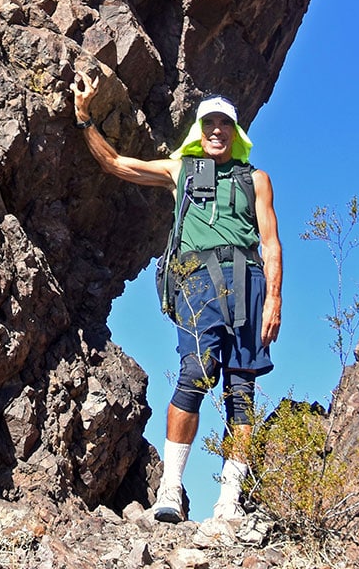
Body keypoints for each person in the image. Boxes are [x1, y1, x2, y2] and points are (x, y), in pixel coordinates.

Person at [70, 72, 282, 523]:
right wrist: (84, 118)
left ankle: (229, 500)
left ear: (236, 132)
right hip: (197, 283)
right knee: (195, 375)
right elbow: (118, 165)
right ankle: (170, 489)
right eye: (210, 124)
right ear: (199, 131)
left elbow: (271, 243)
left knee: (241, 389)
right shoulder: (181, 169)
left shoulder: (256, 179)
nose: (217, 131)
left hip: (248, 284)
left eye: (225, 124)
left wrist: (274, 301)